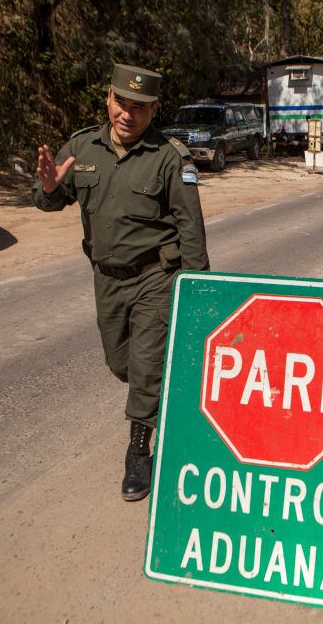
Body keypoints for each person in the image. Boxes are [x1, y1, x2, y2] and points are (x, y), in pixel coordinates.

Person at [33, 63, 210, 498]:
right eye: (121, 104)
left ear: (153, 111)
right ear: (108, 100)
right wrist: (51, 188)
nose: (127, 115)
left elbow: (191, 228)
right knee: (121, 364)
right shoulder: (82, 147)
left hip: (156, 277)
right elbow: (48, 199)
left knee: (147, 365)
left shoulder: (169, 157)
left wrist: (202, 292)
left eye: (139, 108)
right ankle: (163, 399)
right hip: (106, 279)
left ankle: (139, 450)